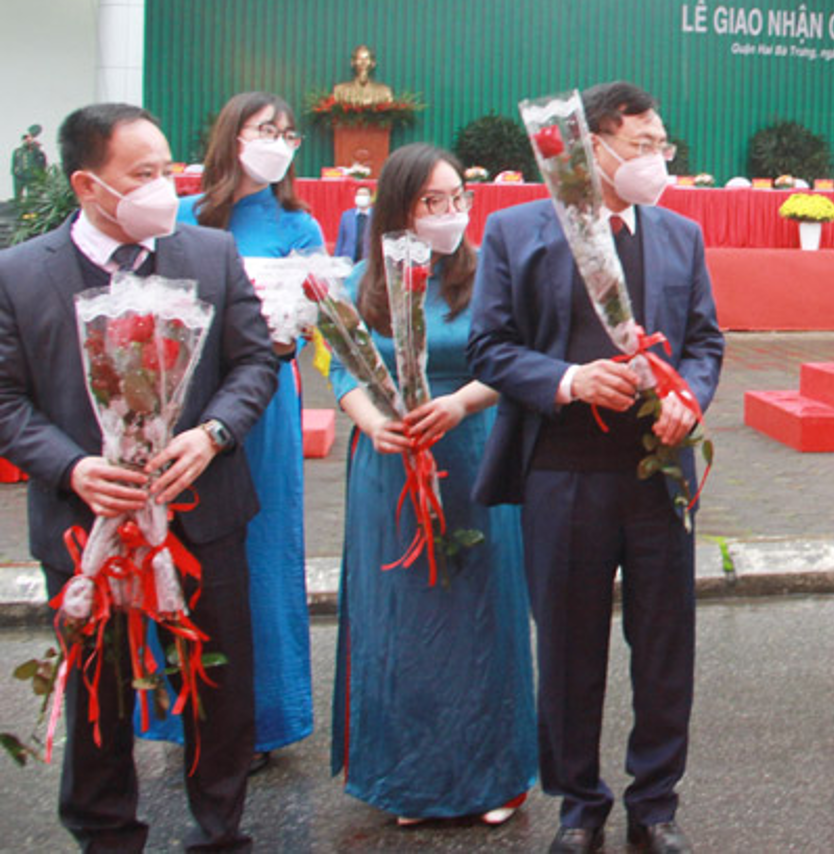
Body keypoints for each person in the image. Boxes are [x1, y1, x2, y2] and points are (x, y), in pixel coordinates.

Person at [0, 103, 276, 851]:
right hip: (83, 519)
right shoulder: (21, 274)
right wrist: (73, 465)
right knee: (101, 689)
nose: (165, 187)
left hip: (203, 510)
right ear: (89, 185)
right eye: (143, 175)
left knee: (217, 688)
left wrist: (213, 435)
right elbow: (6, 399)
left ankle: (220, 829)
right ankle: (105, 831)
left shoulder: (209, 254)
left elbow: (255, 362)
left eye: (167, 170)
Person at [468, 80, 724, 854]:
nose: (656, 159)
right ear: (593, 146)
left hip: (657, 474)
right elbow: (490, 347)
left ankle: (656, 802)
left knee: (664, 643)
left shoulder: (679, 236)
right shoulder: (517, 231)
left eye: (661, 146)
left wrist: (694, 399)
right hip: (563, 470)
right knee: (571, 649)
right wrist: (567, 380)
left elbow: (706, 342)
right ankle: (579, 804)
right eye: (642, 146)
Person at [329, 143, 536, 826]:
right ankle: (409, 777)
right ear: (397, 208)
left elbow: (512, 362)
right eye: (431, 202)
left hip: (474, 451)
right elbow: (342, 371)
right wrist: (374, 421)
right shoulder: (362, 280)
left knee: (482, 612)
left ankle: (493, 776)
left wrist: (461, 403)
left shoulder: (488, 276)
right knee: (402, 617)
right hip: (388, 460)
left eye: (458, 200)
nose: (449, 213)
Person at [142, 91, 321, 768]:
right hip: (183, 405)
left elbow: (297, 330)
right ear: (231, 137)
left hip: (262, 404)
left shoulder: (296, 225)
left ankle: (260, 722)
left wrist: (288, 329)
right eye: (263, 130)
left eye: (286, 132)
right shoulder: (182, 217)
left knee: (262, 553)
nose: (277, 141)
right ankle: (179, 714)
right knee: (179, 552)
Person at [333, 186, 374, 260]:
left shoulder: (376, 216)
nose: (361, 197)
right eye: (359, 195)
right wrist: (336, 259)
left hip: (368, 259)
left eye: (364, 195)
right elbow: (341, 239)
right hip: (349, 258)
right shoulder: (346, 216)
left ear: (371, 198)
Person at [12, 123, 47, 196]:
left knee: (33, 196)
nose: (27, 140)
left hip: (32, 177)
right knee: (18, 196)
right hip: (19, 177)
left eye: (28, 139)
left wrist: (35, 147)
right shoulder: (17, 151)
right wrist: (15, 173)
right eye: (25, 139)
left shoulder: (37, 152)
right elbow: (13, 165)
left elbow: (43, 164)